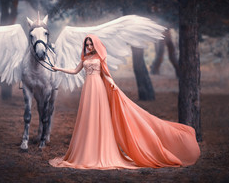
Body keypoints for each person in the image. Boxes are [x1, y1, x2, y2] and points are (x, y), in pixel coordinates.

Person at [49, 34, 200, 170]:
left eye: (91, 44)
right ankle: (87, 150)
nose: (89, 47)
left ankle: (101, 150)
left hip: (99, 89)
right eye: (87, 45)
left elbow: (106, 74)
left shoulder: (99, 57)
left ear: (95, 45)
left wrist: (113, 84)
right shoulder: (85, 58)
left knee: (99, 117)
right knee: (87, 118)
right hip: (88, 89)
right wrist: (58, 68)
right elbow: (75, 71)